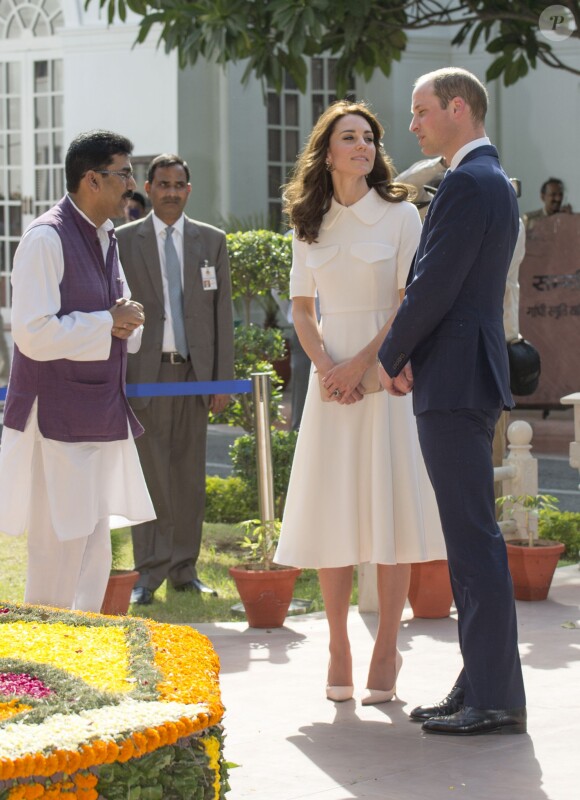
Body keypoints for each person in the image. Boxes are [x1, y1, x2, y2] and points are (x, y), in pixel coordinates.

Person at [274, 101, 446, 705]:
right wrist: (327, 369)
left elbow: (406, 303)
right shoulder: (307, 220)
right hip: (331, 389)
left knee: (390, 513)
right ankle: (339, 644)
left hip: (385, 377)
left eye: (369, 137)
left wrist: (360, 368)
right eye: (350, 137)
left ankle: (386, 648)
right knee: (334, 512)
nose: (364, 146)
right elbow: (302, 308)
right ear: (328, 151)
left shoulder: (401, 215)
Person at [378, 67, 527, 736]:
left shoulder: (469, 181)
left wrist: (390, 354)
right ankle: (480, 683)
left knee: (472, 542)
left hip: (455, 378)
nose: (411, 124)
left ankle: (493, 699)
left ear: (457, 109)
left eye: (420, 111)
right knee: (471, 539)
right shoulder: (484, 178)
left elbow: (435, 283)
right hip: (465, 375)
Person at [0, 130, 155, 612]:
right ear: (92, 179)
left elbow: (123, 315)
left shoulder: (105, 234)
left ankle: (84, 662)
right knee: (58, 551)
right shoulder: (45, 238)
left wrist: (123, 321)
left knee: (94, 550)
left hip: (100, 412)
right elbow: (31, 333)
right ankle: (43, 668)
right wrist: (109, 321)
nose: (131, 184)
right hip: (57, 419)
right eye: (124, 173)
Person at [116, 154, 234, 605]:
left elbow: (221, 313)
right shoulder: (124, 240)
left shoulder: (212, 241)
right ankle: (149, 572)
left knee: (188, 476)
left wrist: (221, 380)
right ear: (148, 188)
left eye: (178, 184)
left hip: (194, 376)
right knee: (148, 477)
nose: (170, 192)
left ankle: (185, 568)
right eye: (162, 184)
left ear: (189, 189)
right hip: (143, 377)